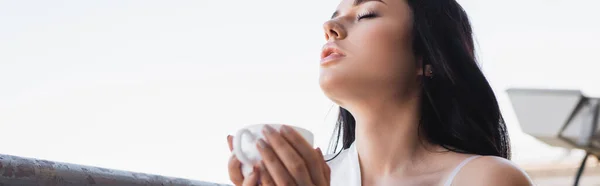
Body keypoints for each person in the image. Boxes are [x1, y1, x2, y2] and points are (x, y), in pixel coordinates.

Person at [226, 0, 534, 185]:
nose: (330, 25)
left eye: (367, 14)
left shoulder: (486, 179)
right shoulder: (309, 178)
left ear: (427, 59)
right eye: (335, 13)